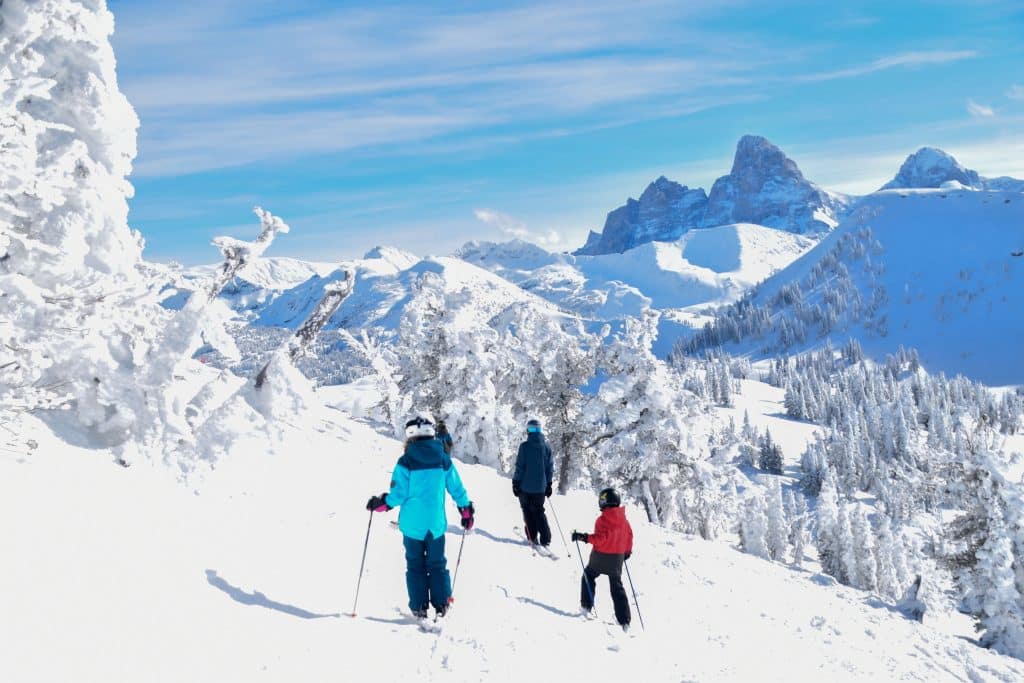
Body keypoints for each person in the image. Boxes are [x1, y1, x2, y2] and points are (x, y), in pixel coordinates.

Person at [366, 414, 475, 619]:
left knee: (415, 565)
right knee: (437, 564)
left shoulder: (405, 461)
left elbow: (397, 495)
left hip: (412, 526)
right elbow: (456, 488)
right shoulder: (443, 459)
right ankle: (442, 604)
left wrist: (380, 504)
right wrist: (466, 509)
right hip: (435, 525)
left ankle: (419, 607)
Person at [571, 487, 634, 631]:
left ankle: (586, 607)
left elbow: (600, 539)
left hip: (600, 557)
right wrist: (627, 551)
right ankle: (624, 621)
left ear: (605, 502)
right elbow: (629, 536)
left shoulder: (602, 520)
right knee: (617, 587)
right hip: (617, 559)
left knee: (588, 575)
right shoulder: (625, 521)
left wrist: (584, 537)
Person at [512, 418, 554, 547]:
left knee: (527, 511)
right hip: (540, 488)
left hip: (525, 487)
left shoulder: (524, 446)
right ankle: (546, 539)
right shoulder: (546, 447)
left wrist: (515, 483)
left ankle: (532, 536)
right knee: (539, 511)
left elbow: (520, 466)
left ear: (528, 430)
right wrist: (549, 484)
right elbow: (549, 468)